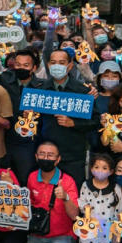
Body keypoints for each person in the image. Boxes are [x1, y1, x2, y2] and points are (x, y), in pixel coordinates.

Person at [23, 141, 79, 243]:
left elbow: (74, 215)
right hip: (38, 233)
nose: (46, 158)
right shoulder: (32, 177)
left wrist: (66, 197)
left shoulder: (67, 181)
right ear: (36, 156)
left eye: (50, 155)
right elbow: (26, 205)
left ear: (58, 159)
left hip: (62, 235)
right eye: (42, 154)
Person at [40, 48, 98, 186]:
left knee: (73, 196)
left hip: (73, 155)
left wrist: (74, 123)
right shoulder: (40, 91)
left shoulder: (83, 91)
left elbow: (96, 121)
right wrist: (28, 116)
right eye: (53, 62)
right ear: (48, 65)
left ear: (70, 65)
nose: (57, 66)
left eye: (61, 62)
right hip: (47, 155)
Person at [0, 49, 46, 184]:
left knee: (26, 181)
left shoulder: (43, 86)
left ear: (34, 67)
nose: (21, 68)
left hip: (30, 143)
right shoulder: (5, 80)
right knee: (5, 181)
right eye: (18, 64)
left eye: (26, 65)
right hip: (6, 140)